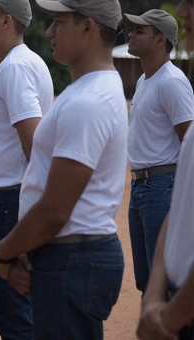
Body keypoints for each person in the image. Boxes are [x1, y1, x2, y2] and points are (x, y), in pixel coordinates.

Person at [0, 0, 127, 339]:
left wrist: (3, 252)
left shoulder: (89, 101)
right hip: (70, 253)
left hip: (73, 257)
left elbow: (55, 209)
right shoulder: (88, 91)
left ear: (88, 27)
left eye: (60, 22)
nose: (50, 31)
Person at [0, 0, 54, 338]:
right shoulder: (23, 63)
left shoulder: (15, 68)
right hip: (9, 198)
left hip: (7, 201)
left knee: (11, 311)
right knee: (15, 307)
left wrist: (32, 208)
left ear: (6, 20)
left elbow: (33, 142)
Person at [123, 9, 194, 295]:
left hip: (162, 187)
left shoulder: (171, 82)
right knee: (146, 279)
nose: (131, 33)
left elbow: (189, 141)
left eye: (140, 31)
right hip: (142, 187)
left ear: (160, 40)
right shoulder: (144, 81)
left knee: (164, 282)